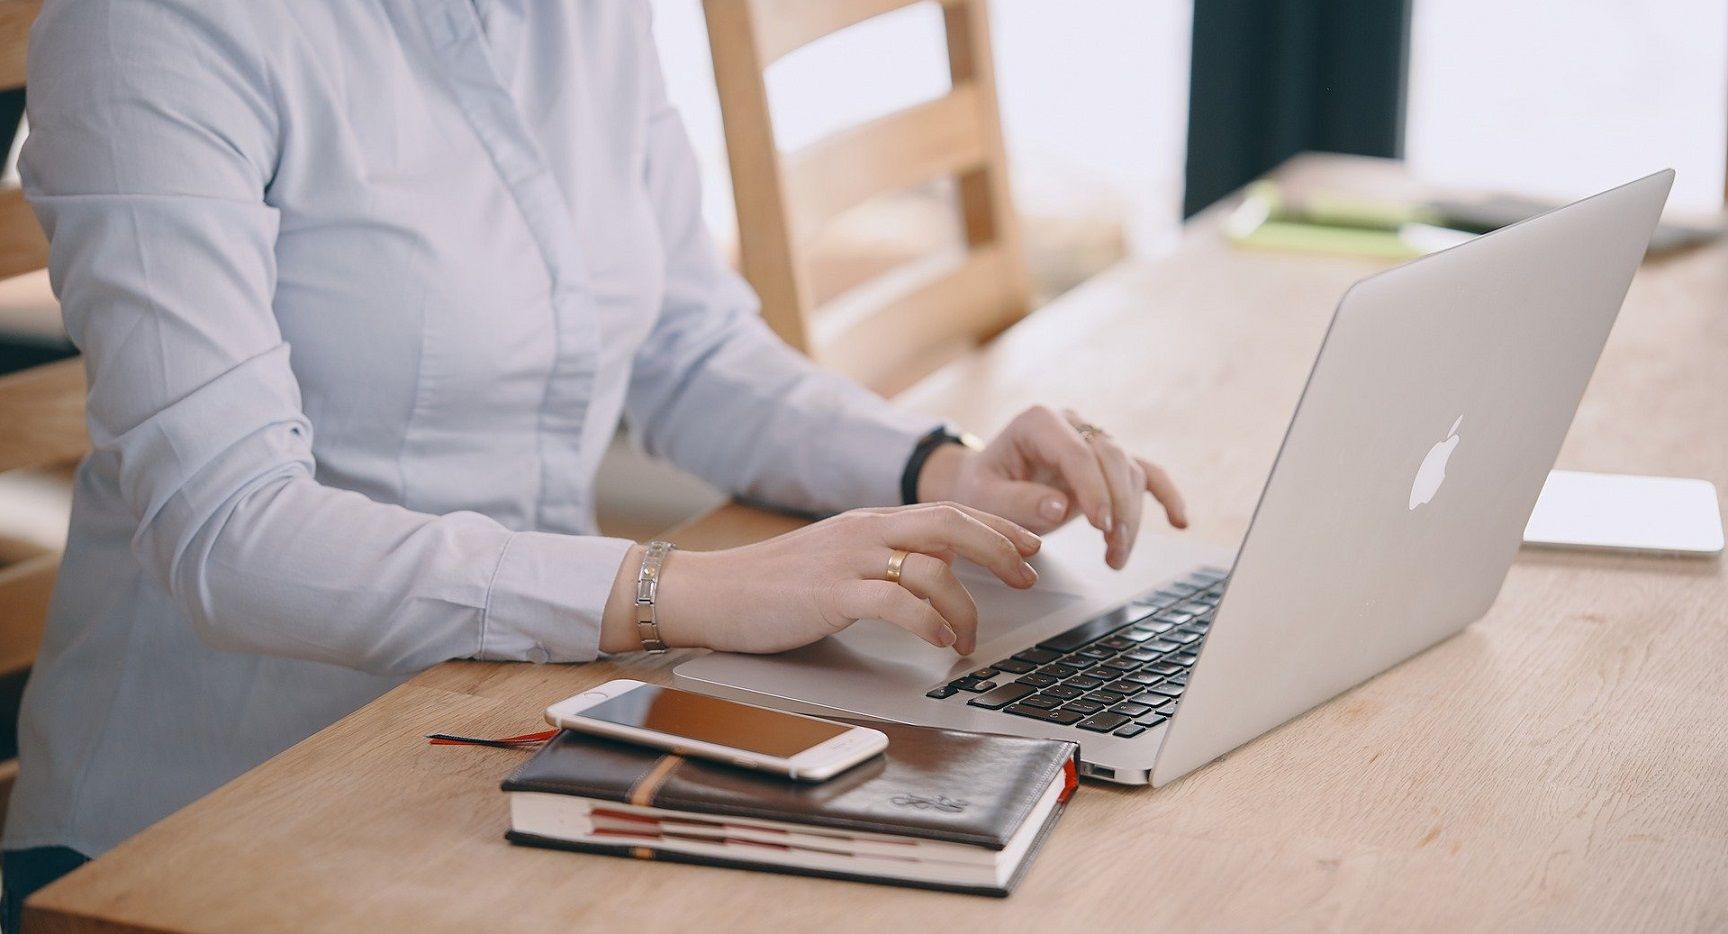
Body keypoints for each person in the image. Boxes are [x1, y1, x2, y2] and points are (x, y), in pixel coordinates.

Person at [0, 1, 1187, 922]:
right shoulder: (157, 29)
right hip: (198, 828)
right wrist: (688, 588)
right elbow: (232, 533)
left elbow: (684, 341)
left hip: (507, 740)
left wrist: (940, 467)